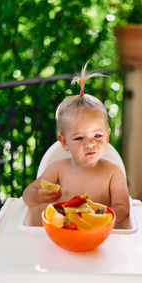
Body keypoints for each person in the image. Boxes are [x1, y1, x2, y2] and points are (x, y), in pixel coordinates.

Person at [22, 62, 130, 227]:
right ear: (64, 142)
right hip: (64, 235)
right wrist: (38, 196)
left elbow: (123, 208)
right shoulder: (58, 170)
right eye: (79, 138)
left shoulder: (113, 173)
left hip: (98, 238)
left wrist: (98, 218)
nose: (90, 144)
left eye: (97, 135)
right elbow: (27, 195)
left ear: (107, 136)